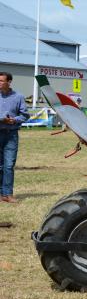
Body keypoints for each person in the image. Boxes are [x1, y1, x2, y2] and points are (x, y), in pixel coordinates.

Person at [0, 72, 29, 203]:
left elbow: (25, 115)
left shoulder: (18, 97)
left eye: (1, 81)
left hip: (11, 134)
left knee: (9, 165)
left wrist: (14, 120)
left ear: (9, 82)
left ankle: (8, 194)